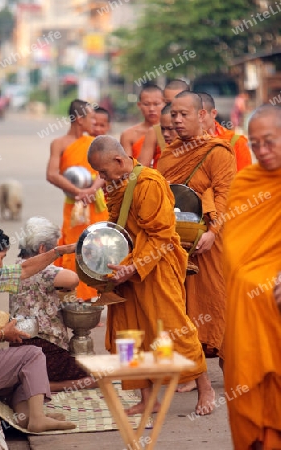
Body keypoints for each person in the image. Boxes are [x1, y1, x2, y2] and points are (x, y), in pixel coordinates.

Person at [87, 135, 215, 417]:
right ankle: (148, 398)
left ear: (119, 160)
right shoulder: (117, 184)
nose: (101, 177)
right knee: (127, 336)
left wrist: (134, 267)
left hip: (155, 267)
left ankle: (205, 386)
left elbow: (159, 235)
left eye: (103, 171)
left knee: (172, 329)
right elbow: (119, 227)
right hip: (125, 269)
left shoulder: (149, 183)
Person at [157, 91, 236, 390]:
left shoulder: (219, 152)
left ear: (202, 115)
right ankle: (191, 368)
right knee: (182, 306)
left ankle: (232, 368)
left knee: (218, 303)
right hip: (176, 244)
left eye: (183, 114)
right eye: (173, 115)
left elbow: (224, 195)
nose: (177, 120)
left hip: (211, 242)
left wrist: (213, 232)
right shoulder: (169, 154)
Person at [223, 104, 281, 450]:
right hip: (251, 309)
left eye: (270, 142)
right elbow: (236, 251)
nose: (262, 151)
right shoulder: (247, 182)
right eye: (255, 144)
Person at [0, 225, 76, 432]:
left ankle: (28, 416)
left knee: (21, 364)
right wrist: (3, 334)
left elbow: (24, 269)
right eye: (1, 258)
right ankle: (38, 418)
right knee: (32, 355)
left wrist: (58, 252)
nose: (1, 265)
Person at [9, 217, 97, 392]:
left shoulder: (16, 267)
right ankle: (47, 386)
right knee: (94, 377)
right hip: (45, 349)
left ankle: (33, 383)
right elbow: (72, 279)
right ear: (42, 248)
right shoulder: (44, 270)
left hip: (18, 346)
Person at [46, 99, 108, 299]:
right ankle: (76, 297)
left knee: (98, 247)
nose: (94, 122)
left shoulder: (94, 142)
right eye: (91, 117)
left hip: (95, 204)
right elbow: (52, 174)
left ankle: (94, 296)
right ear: (80, 119)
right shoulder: (59, 143)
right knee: (74, 248)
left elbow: (104, 171)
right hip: (74, 205)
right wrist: (77, 191)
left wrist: (91, 189)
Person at [138, 79, 189, 168]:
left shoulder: (202, 129)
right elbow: (141, 170)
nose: (172, 108)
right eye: (168, 103)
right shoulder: (155, 132)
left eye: (179, 103)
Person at [198, 92, 252, 171]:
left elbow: (244, 180)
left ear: (213, 114)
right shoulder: (183, 144)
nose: (197, 119)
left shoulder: (236, 142)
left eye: (201, 114)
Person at [120, 84, 165, 159]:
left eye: (156, 104)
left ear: (164, 104)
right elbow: (128, 166)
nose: (151, 109)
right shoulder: (128, 135)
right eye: (146, 104)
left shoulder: (172, 132)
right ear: (139, 105)